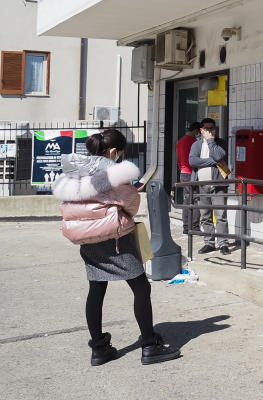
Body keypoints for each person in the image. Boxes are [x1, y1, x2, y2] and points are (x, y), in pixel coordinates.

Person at [52, 128, 181, 366]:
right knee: (141, 287)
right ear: (113, 151)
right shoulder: (112, 172)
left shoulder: (73, 172)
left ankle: (99, 349)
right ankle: (150, 346)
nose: (120, 157)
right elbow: (131, 202)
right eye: (120, 153)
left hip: (88, 239)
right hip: (116, 237)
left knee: (96, 289)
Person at [189, 118, 230, 255]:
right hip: (201, 185)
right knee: (205, 216)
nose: (210, 130)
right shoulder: (196, 145)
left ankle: (223, 244)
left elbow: (218, 156)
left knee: (221, 215)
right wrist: (211, 161)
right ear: (201, 130)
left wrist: (211, 141)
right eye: (207, 128)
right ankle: (209, 243)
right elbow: (192, 161)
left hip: (218, 184)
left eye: (212, 128)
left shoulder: (221, 143)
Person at [176, 122, 201, 234]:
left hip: (183, 173)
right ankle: (194, 226)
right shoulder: (193, 142)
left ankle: (186, 227)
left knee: (187, 200)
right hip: (192, 173)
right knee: (195, 200)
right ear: (196, 131)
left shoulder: (180, 141)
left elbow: (179, 159)